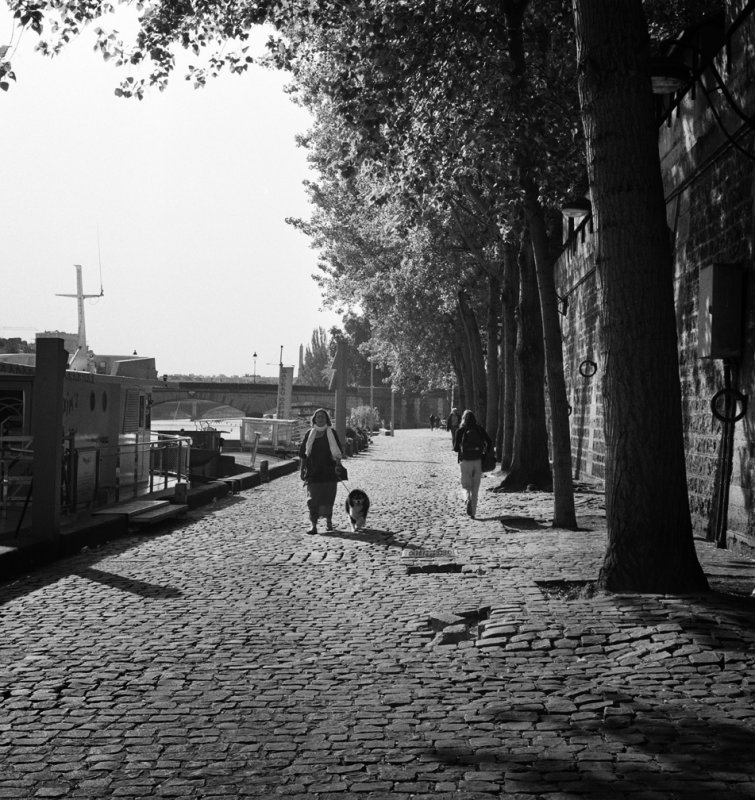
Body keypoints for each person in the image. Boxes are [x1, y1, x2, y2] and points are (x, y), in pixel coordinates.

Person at [299, 408, 344, 535]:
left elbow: (338, 452)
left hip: (329, 472)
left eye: (323, 417)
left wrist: (338, 466)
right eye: (318, 417)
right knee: (312, 500)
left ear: (326, 419)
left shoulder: (332, 433)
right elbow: (303, 454)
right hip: (313, 472)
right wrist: (302, 469)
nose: (320, 419)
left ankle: (329, 520)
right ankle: (313, 525)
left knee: (328, 498)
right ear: (314, 419)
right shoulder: (309, 434)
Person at [453, 409, 493, 519]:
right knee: (475, 488)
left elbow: (456, 449)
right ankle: (473, 513)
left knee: (465, 486)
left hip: (465, 461)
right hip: (478, 461)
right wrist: (483, 452)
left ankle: (467, 499)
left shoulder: (460, 431)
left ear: (463, 419)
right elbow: (489, 442)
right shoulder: (479, 429)